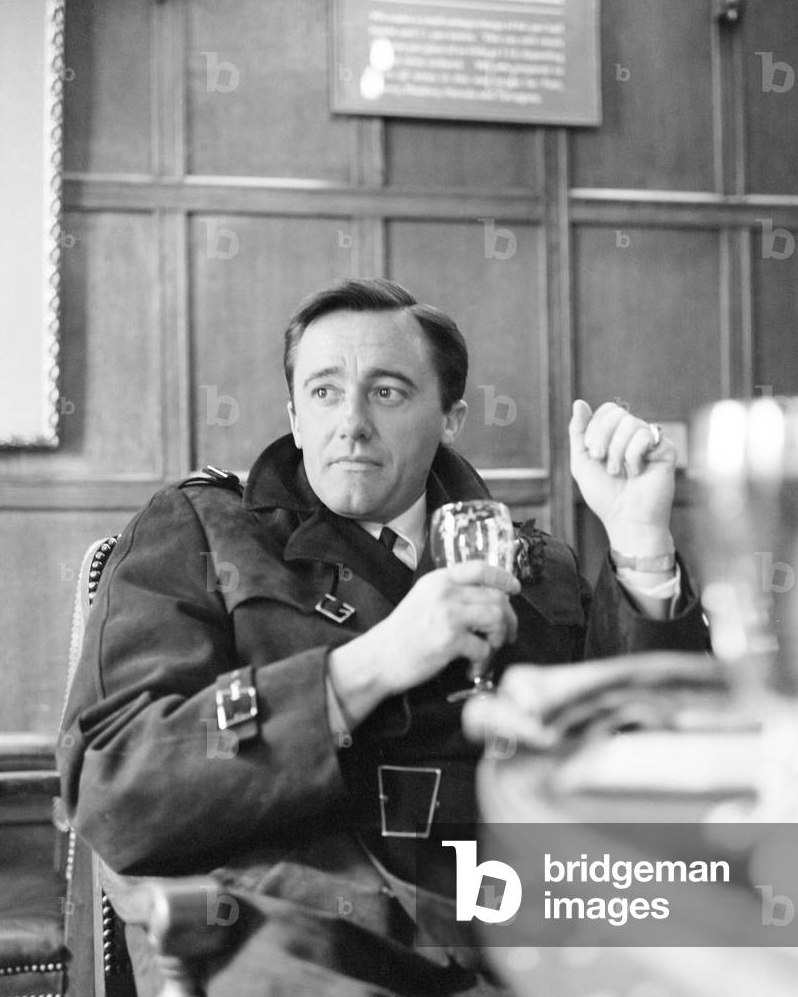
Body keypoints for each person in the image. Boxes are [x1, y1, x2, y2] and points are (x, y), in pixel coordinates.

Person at [58, 278, 709, 996]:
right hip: (305, 939)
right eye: (324, 393)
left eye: (387, 392)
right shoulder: (201, 533)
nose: (352, 424)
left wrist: (640, 541)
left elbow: (653, 776)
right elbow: (116, 782)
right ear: (294, 417)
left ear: (451, 418)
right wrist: (366, 667)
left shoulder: (536, 564)